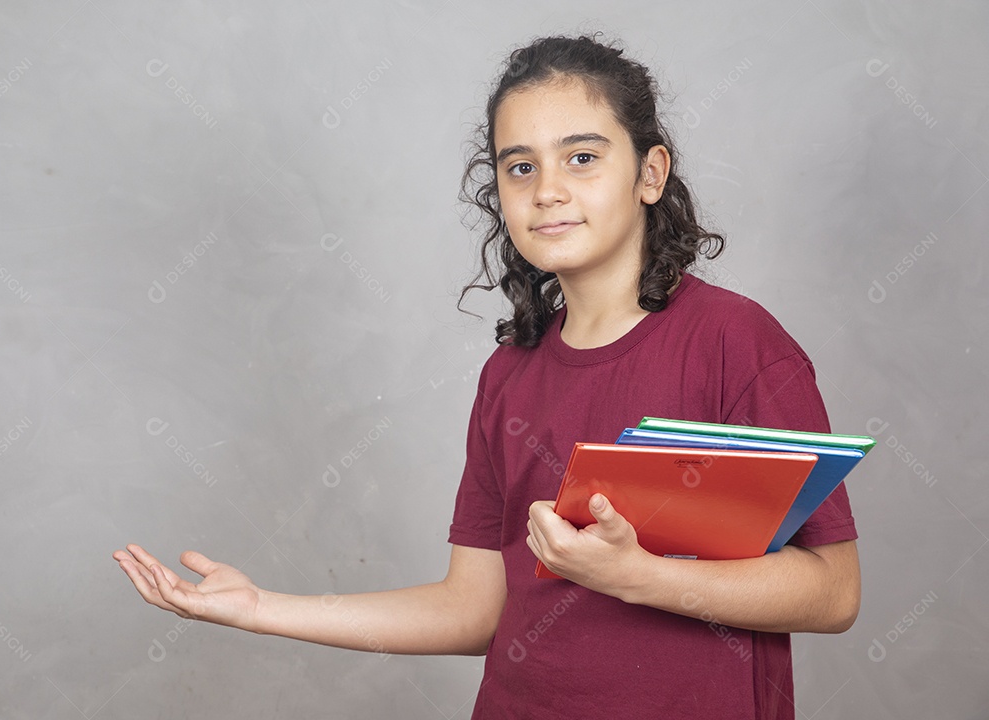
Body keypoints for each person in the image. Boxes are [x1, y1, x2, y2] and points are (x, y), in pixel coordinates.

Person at [114, 34, 860, 719]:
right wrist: (260, 608)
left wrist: (642, 577)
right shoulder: (509, 374)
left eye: (582, 157)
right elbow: (473, 610)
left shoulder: (736, 343)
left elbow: (833, 591)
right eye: (521, 166)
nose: (548, 191)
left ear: (650, 173)